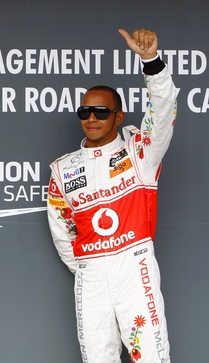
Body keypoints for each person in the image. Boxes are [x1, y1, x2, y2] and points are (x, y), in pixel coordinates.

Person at [47, 28, 176, 363]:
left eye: (101, 112)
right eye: (85, 112)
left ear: (118, 117)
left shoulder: (140, 152)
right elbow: (62, 230)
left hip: (135, 269)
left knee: (150, 357)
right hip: (90, 276)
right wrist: (88, 266)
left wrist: (151, 62)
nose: (92, 118)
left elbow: (163, 113)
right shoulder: (63, 169)